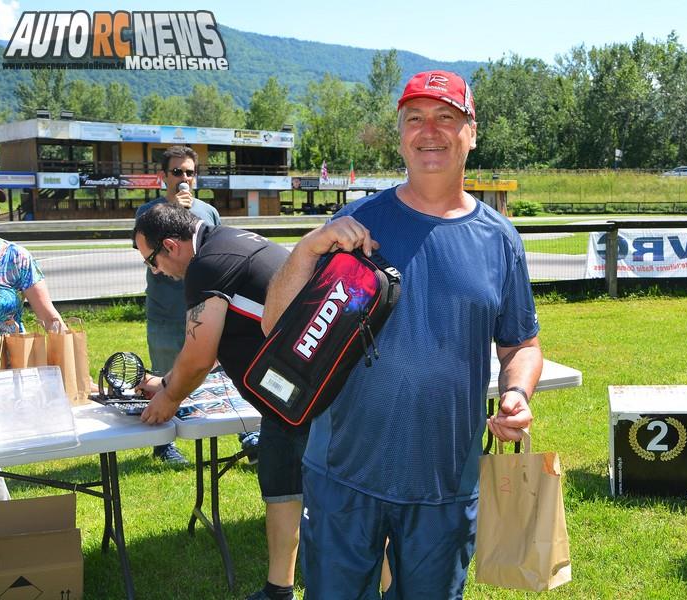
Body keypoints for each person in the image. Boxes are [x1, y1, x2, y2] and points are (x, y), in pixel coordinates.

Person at [262, 70, 543, 599]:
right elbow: (276, 326)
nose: (429, 131)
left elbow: (520, 345)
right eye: (415, 118)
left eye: (446, 117)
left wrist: (516, 392)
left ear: (472, 132)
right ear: (400, 134)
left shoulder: (500, 240)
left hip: (445, 483)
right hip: (345, 474)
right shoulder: (355, 223)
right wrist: (306, 250)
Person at [133, 203, 307, 600]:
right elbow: (211, 347)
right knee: (281, 485)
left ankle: (383, 587)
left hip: (307, 392)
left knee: (339, 500)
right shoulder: (230, 241)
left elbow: (198, 355)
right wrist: (166, 380)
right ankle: (279, 589)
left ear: (171, 246)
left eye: (151, 261)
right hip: (294, 395)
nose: (155, 271)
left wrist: (170, 397)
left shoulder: (205, 266)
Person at [0, 177, 66, 502]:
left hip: (2, 374)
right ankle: (6, 531)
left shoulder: (15, 257)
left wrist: (72, 366)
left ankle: (0, 536)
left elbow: (50, 318)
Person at [136, 146, 221, 464]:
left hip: (203, 312)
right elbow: (149, 260)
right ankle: (163, 444)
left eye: (189, 172)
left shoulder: (208, 211)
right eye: (176, 172)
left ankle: (234, 433)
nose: (183, 178)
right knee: (163, 377)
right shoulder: (148, 213)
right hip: (165, 313)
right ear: (163, 177)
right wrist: (175, 211)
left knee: (211, 373)